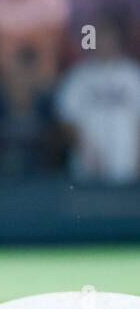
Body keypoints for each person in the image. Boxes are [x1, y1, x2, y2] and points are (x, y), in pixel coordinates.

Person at [56, 18, 140, 184]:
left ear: (118, 41)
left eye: (109, 38)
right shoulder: (78, 76)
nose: (105, 43)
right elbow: (66, 119)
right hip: (88, 166)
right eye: (100, 38)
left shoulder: (133, 75)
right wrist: (85, 148)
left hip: (128, 165)